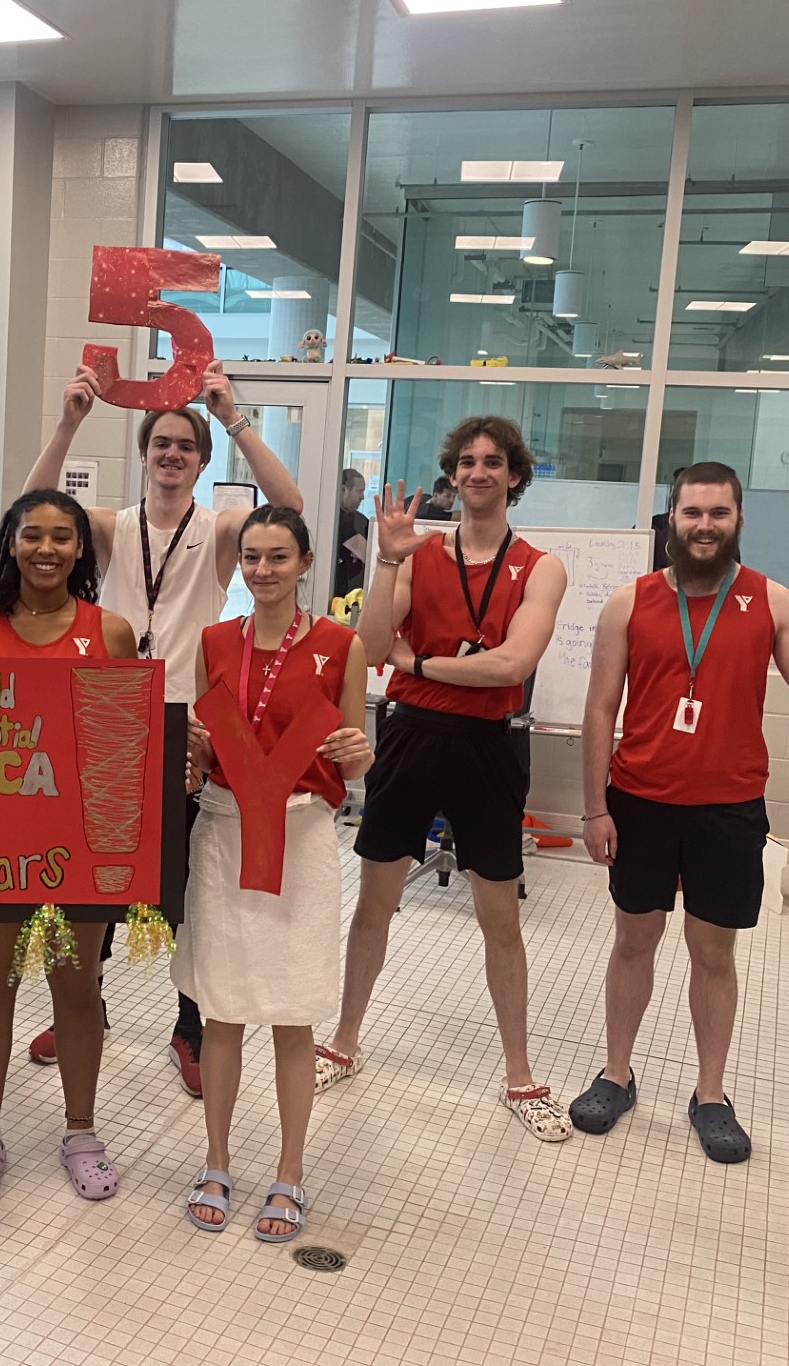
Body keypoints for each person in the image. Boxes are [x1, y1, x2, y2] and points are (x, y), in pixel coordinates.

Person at [23, 359, 303, 1096]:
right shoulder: (113, 528)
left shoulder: (219, 532)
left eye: (186, 446)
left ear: (201, 461)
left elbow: (294, 506)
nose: (172, 455)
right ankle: (89, 1005)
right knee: (94, 874)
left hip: (185, 724)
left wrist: (234, 418)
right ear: (144, 456)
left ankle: (188, 1025)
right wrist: (69, 422)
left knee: (179, 887)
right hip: (110, 716)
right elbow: (33, 509)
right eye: (161, 446)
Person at [570, 462, 789, 1163]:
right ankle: (616, 1073)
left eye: (718, 513)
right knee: (634, 940)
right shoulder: (628, 602)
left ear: (738, 519)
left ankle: (710, 1094)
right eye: (692, 513)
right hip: (640, 802)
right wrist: (593, 809)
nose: (704, 526)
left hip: (728, 807)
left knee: (714, 953)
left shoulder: (770, 601)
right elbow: (600, 709)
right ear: (671, 519)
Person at [318, 417, 574, 1145]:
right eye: (467, 461)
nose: (480, 472)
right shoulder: (419, 555)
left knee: (501, 919)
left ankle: (519, 1074)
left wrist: (421, 663)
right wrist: (388, 564)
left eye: (494, 462)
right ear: (453, 475)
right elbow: (367, 648)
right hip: (411, 739)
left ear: (516, 476)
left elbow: (510, 666)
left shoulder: (540, 565)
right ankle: (343, 1041)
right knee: (375, 904)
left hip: (488, 745)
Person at [0, 489, 138, 1207]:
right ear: (11, 543)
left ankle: (81, 1131)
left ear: (82, 548)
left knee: (75, 983)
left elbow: (123, 746)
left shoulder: (111, 632)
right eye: (33, 536)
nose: (46, 549)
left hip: (79, 839)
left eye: (62, 537)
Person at [177, 506, 371, 1241]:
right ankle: (217, 1160)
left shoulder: (338, 645)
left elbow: (355, 759)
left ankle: (290, 1172)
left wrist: (360, 752)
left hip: (300, 833)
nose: (263, 571)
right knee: (222, 1011)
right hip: (226, 833)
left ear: (306, 561)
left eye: (278, 558)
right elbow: (200, 757)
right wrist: (192, 752)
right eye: (252, 557)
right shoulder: (214, 641)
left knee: (294, 1014)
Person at [334, 469, 370, 603]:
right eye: (359, 491)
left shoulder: (351, 519)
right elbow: (368, 555)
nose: (363, 497)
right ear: (344, 490)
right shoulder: (343, 520)